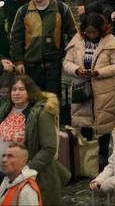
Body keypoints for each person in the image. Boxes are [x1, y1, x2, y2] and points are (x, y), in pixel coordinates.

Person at [63, 12, 115, 162]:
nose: (90, 35)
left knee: (104, 122)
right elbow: (67, 63)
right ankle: (87, 157)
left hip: (104, 90)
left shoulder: (111, 41)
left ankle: (103, 155)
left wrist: (99, 72)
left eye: (93, 32)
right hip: (82, 87)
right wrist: (77, 70)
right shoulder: (77, 40)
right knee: (84, 123)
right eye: (87, 32)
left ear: (101, 30)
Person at [0, 76, 67, 205]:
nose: (17, 93)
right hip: (5, 171)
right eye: (14, 89)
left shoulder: (41, 113)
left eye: (21, 89)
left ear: (30, 92)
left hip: (30, 174)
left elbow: (49, 148)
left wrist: (25, 170)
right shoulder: (5, 109)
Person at [10, 0, 77, 95]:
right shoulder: (23, 11)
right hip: (30, 65)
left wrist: (69, 56)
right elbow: (16, 38)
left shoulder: (61, 8)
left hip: (53, 65)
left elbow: (74, 34)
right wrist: (18, 61)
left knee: (52, 101)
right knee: (32, 100)